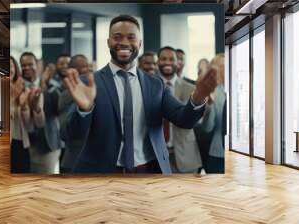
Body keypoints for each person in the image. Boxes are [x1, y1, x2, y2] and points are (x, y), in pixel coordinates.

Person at [62, 15, 217, 174]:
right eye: (117, 37)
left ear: (140, 44)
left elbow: (184, 119)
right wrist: (85, 110)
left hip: (149, 171)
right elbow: (70, 134)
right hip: (102, 173)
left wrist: (198, 97)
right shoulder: (88, 83)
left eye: (131, 37)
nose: (124, 42)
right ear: (108, 42)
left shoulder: (156, 85)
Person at [157, 46, 203, 173]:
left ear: (178, 63)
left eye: (171, 59)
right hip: (156, 156)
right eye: (163, 59)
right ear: (158, 62)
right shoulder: (149, 87)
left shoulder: (191, 88)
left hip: (186, 155)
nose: (167, 62)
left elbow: (197, 120)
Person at [20, 52, 61, 174]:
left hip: (47, 145)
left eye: (30, 64)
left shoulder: (50, 84)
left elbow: (57, 108)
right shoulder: (18, 86)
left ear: (37, 65)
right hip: (24, 146)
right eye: (23, 65)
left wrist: (45, 85)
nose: (26, 67)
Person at [60, 54, 90, 172]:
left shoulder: (95, 92)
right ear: (72, 71)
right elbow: (63, 132)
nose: (87, 70)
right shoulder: (66, 95)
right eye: (83, 67)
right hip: (73, 162)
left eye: (87, 66)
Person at [197, 54, 226, 173]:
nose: (219, 70)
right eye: (217, 67)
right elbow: (207, 128)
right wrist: (209, 105)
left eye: (222, 66)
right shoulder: (212, 91)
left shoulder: (242, 90)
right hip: (218, 154)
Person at [10, 56, 31, 173]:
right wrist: (12, 97)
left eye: (11, 66)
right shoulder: (0, 87)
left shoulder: (22, 89)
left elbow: (28, 123)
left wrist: (24, 107)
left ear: (16, 68)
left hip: (22, 143)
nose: (9, 69)